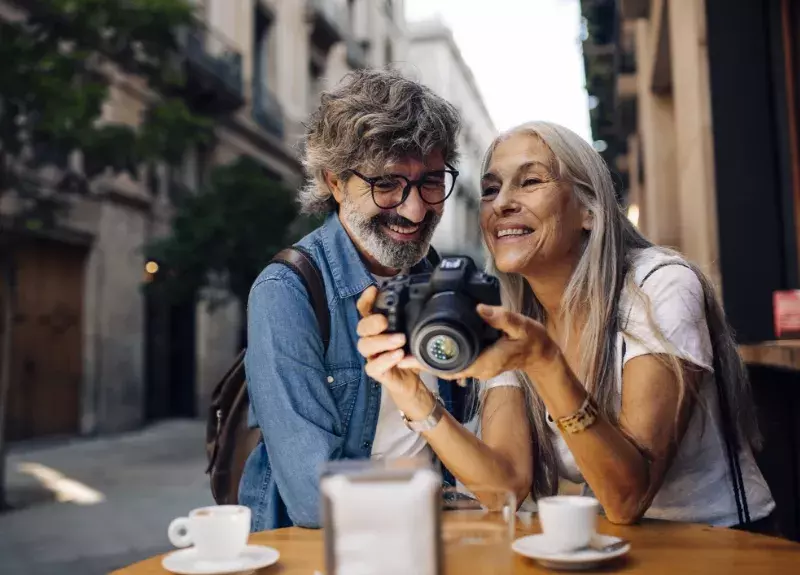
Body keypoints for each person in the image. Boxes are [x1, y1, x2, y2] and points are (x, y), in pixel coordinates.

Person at [356, 120, 776, 530]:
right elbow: (504, 484)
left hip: (723, 543)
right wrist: (408, 392)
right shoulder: (507, 310)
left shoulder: (658, 286)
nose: (501, 202)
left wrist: (544, 360)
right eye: (490, 188)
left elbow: (628, 497)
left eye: (531, 181)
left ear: (589, 210)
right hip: (618, 548)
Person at [238, 68, 465, 531]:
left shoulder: (447, 280)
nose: (415, 208)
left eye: (431, 181)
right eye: (386, 184)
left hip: (438, 542)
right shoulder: (286, 292)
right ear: (336, 182)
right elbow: (313, 497)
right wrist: (439, 498)